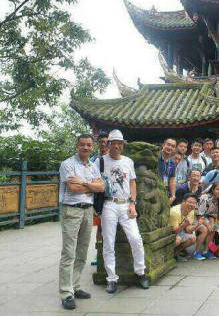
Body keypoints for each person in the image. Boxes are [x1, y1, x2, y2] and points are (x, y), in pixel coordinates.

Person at [58, 134, 105, 310]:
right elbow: (74, 188)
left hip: (87, 210)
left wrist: (84, 183)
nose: (86, 148)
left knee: (82, 252)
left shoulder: (93, 166)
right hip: (71, 210)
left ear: (93, 147)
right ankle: (66, 293)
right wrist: (90, 186)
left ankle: (75, 286)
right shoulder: (68, 164)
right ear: (77, 146)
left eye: (89, 145)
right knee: (69, 253)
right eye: (83, 144)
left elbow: (101, 187)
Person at [100, 130, 149, 293]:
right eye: (113, 143)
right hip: (109, 204)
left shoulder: (128, 161)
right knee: (108, 242)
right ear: (108, 144)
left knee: (136, 238)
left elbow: (132, 183)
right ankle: (111, 278)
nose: (116, 146)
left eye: (119, 143)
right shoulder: (100, 161)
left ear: (123, 145)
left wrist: (133, 203)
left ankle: (140, 272)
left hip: (126, 204)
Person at [90, 132, 109, 266]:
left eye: (106, 142)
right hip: (99, 197)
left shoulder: (115, 158)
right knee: (100, 227)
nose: (103, 144)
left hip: (112, 196)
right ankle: (99, 255)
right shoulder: (94, 160)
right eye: (101, 142)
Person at [196, 182, 219, 259]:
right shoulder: (205, 197)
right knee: (205, 229)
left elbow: (212, 217)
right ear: (213, 190)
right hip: (197, 218)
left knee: (213, 228)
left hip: (206, 219)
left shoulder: (216, 200)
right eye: (217, 189)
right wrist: (208, 225)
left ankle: (206, 251)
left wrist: (216, 228)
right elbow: (199, 214)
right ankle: (197, 252)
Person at [169, 193, 201, 260]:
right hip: (169, 232)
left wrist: (197, 225)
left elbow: (188, 230)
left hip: (179, 231)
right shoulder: (175, 212)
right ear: (183, 201)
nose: (192, 205)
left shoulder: (191, 211)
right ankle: (167, 255)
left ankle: (175, 253)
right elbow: (175, 231)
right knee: (178, 240)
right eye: (190, 202)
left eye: (194, 203)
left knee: (193, 238)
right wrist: (185, 223)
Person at [158, 138, 177, 204]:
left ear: (175, 149)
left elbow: (172, 179)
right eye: (168, 145)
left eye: (173, 146)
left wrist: (173, 195)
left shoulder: (172, 162)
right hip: (154, 191)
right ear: (163, 145)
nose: (170, 147)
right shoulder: (156, 157)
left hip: (165, 192)